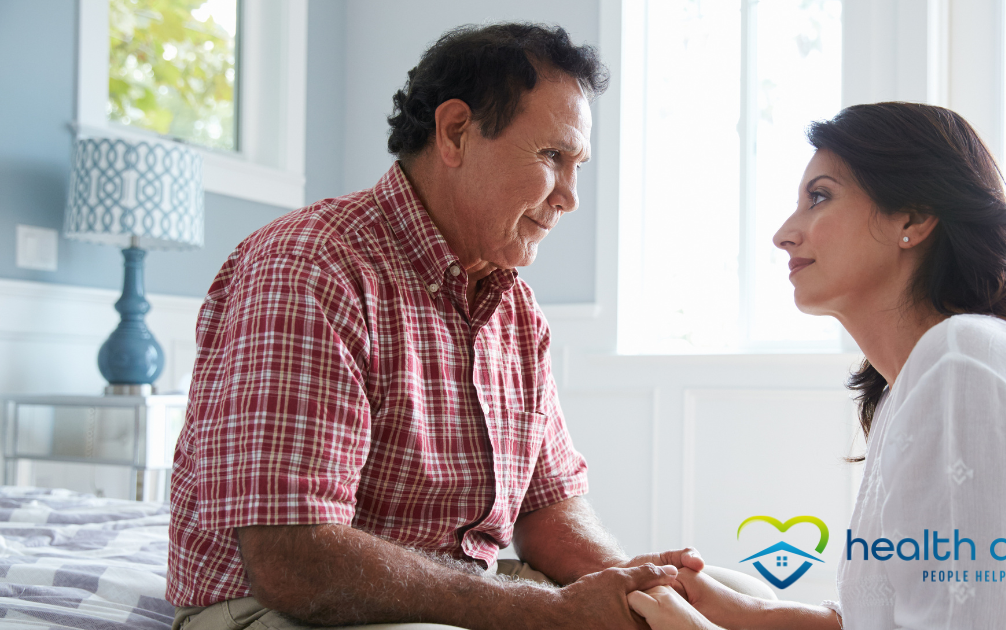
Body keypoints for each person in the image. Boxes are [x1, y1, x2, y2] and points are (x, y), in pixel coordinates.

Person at [166, 23, 771, 630]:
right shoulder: (312, 268)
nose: (570, 197)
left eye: (577, 164)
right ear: (455, 132)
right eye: (551, 156)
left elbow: (548, 511)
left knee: (724, 587)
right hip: (269, 608)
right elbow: (293, 562)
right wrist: (553, 613)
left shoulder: (514, 307)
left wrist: (640, 594)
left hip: (445, 594)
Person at [624, 102, 1006, 630]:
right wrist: (750, 613)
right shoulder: (927, 378)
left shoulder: (965, 368)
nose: (784, 233)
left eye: (819, 197)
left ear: (913, 219)